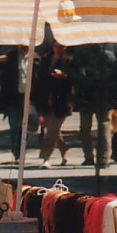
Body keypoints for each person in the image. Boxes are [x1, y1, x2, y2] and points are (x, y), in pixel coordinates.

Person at [70, 43, 117, 168]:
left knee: (85, 127)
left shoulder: (81, 54)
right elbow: (115, 75)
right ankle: (104, 159)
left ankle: (88, 157)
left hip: (85, 95)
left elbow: (75, 74)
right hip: (103, 95)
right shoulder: (109, 55)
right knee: (104, 126)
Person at [33, 40, 73, 168]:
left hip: (61, 101)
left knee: (52, 130)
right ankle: (63, 148)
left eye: (62, 47)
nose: (59, 49)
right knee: (51, 129)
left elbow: (74, 79)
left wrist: (64, 76)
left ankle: (45, 157)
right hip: (47, 100)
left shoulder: (69, 61)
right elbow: (39, 79)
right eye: (57, 46)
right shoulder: (46, 59)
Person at [0, 45, 33, 160]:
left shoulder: (34, 57)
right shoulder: (10, 57)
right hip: (13, 97)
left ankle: (23, 150)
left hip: (28, 97)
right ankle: (17, 153)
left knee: (27, 126)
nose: (24, 47)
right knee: (14, 126)